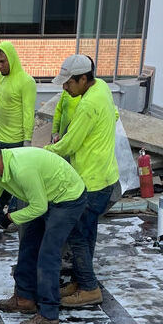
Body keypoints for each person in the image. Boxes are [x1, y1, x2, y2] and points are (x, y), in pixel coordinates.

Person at [0, 137, 86, 324]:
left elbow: (39, 207)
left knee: (48, 254)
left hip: (67, 198)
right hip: (45, 197)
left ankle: (48, 315)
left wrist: (9, 217)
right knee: (28, 245)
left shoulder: (22, 169)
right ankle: (25, 298)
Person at [45, 54, 119, 308]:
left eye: (69, 83)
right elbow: (115, 116)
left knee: (76, 234)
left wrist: (43, 153)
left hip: (92, 181)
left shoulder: (88, 105)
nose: (65, 88)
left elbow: (71, 142)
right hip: (104, 176)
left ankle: (89, 288)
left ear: (84, 78)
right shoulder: (101, 88)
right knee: (87, 233)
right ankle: (80, 280)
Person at [0, 42, 37, 149]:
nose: (0, 66)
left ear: (11, 59)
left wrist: (27, 139)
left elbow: (28, 112)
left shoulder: (26, 81)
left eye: (3, 61)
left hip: (15, 140)